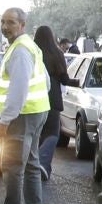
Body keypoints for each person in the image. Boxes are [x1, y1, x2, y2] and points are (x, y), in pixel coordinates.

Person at [0, 6, 51, 204]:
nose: (5, 27)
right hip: (37, 111)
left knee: (13, 165)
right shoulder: (28, 46)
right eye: (3, 22)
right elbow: (46, 82)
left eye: (11, 22)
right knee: (31, 163)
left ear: (22, 25)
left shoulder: (20, 51)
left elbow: (18, 89)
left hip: (22, 116)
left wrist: (5, 120)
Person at [32, 25, 71, 183]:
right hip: (53, 99)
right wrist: (75, 82)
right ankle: (43, 163)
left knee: (36, 133)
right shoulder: (57, 53)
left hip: (34, 98)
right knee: (52, 133)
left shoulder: (32, 52)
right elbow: (64, 79)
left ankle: (35, 165)